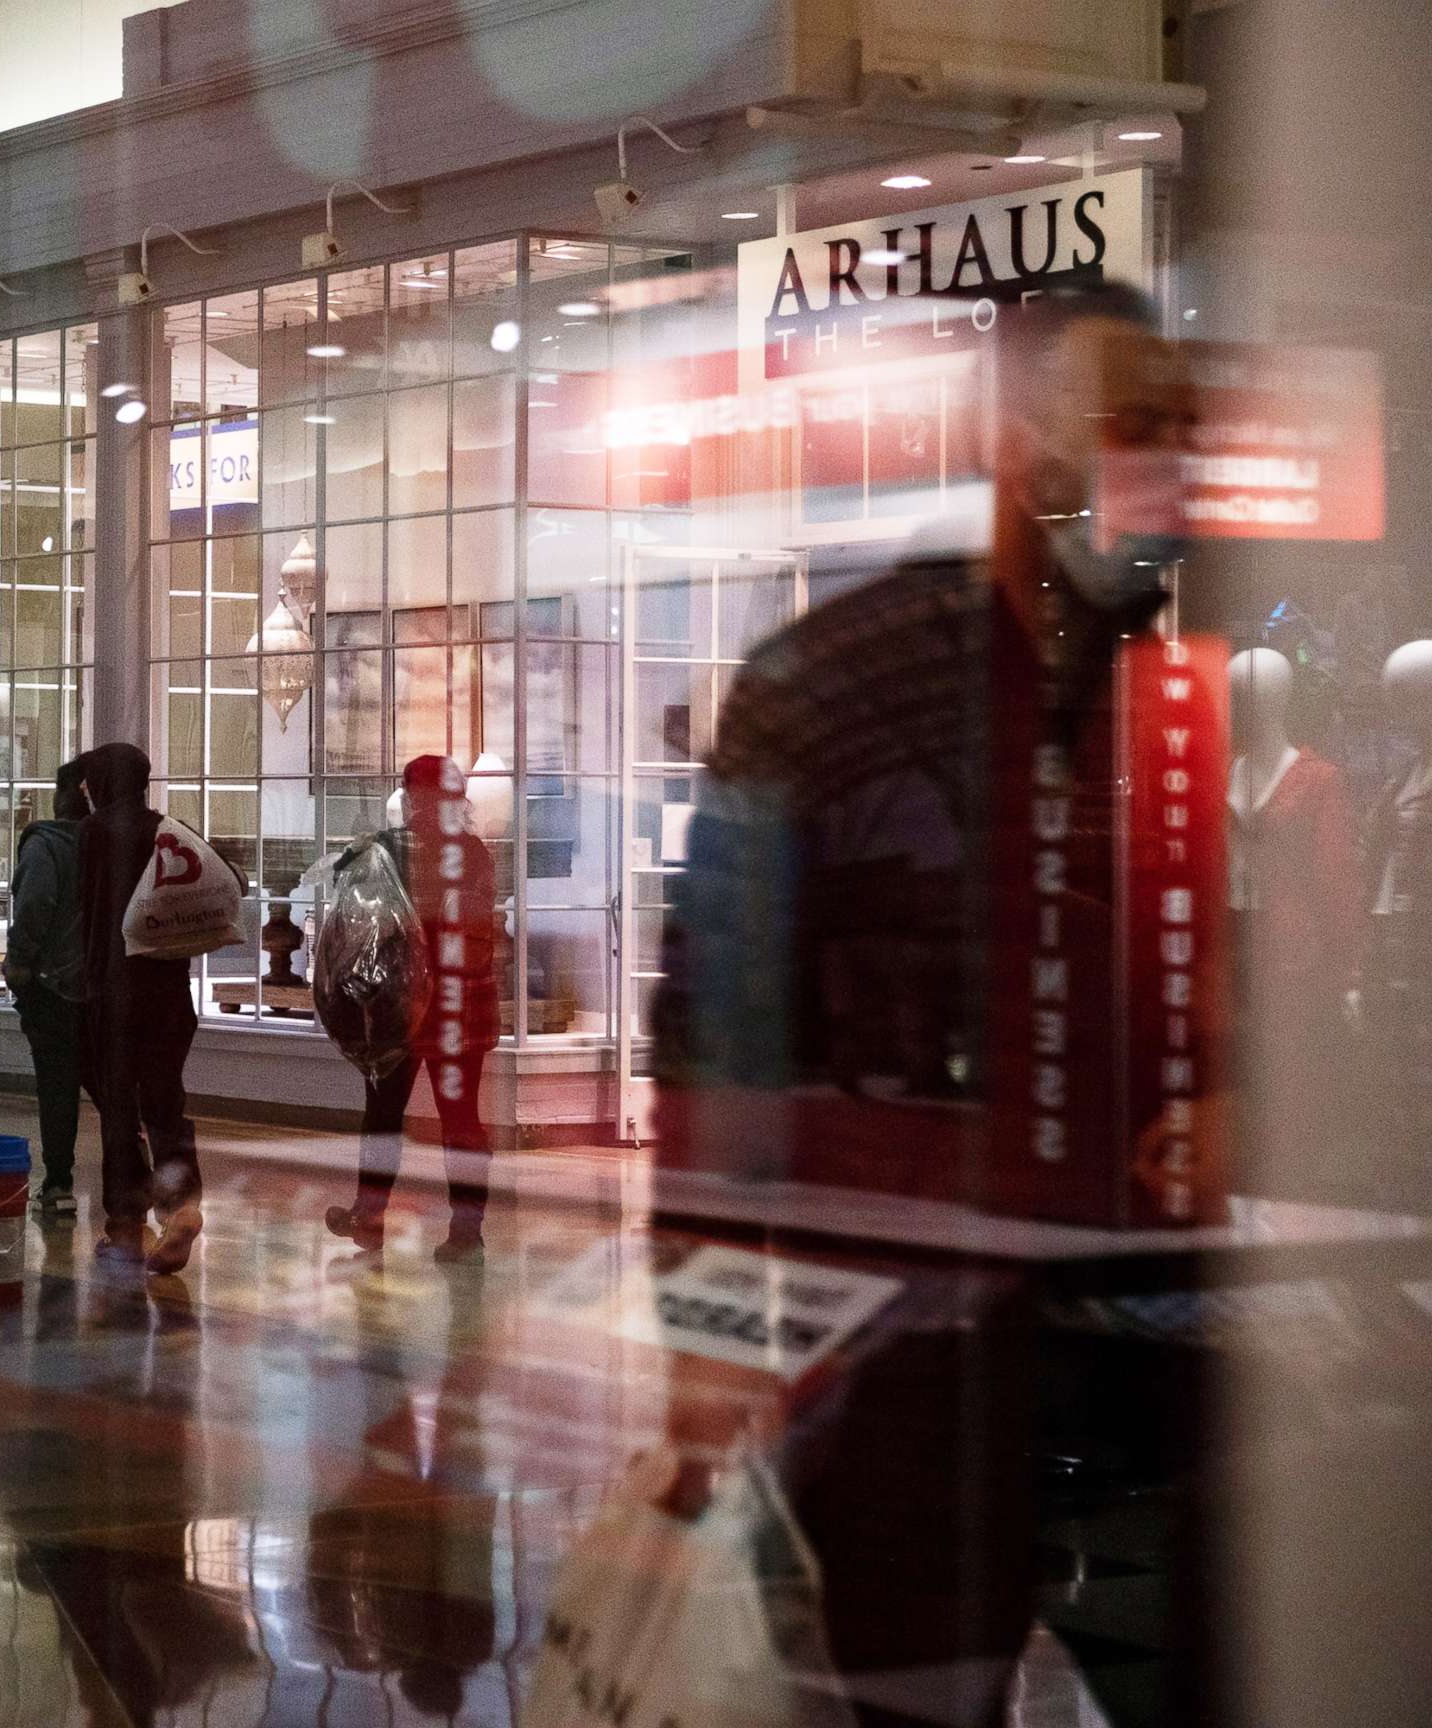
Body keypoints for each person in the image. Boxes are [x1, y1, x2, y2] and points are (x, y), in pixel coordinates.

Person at [650, 283, 1203, 1727]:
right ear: (1023, 441)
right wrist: (708, 1345)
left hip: (1146, 1340)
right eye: (1137, 427)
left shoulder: (1163, 698)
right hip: (910, 1353)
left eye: (1184, 429)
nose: (1174, 470)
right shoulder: (833, 688)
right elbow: (715, 1035)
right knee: (915, 1692)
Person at [321, 754, 498, 1263]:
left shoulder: (387, 849)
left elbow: (352, 906)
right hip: (464, 1004)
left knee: (383, 1112)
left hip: (401, 1003)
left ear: (412, 797)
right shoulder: (476, 852)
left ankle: (370, 1213)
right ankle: (467, 1229)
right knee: (461, 1119)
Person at [76, 741, 204, 1274]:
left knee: (120, 1116)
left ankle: (126, 1229)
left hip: (115, 993)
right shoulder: (169, 831)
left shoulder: (94, 833)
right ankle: (183, 1206)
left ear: (105, 783)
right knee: (165, 1107)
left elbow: (85, 915)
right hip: (170, 994)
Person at [7, 759, 91, 1215]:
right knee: (115, 1089)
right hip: (107, 987)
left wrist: (18, 962)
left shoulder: (47, 843)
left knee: (57, 1088)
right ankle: (133, 1189)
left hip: (55, 986)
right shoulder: (117, 844)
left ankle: (59, 1182)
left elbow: (35, 903)